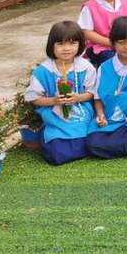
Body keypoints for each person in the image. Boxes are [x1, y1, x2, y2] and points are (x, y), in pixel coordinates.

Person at [26, 21, 96, 165]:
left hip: (81, 112)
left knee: (94, 142)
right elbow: (34, 98)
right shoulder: (43, 71)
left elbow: (91, 93)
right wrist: (54, 100)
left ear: (80, 44)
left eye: (72, 43)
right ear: (51, 45)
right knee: (56, 154)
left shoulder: (86, 67)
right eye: (60, 44)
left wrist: (77, 98)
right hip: (54, 114)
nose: (66, 48)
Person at [86, 16, 127, 159]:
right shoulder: (104, 67)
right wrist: (100, 115)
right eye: (121, 42)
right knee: (93, 143)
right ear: (112, 42)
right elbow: (97, 98)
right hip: (110, 121)